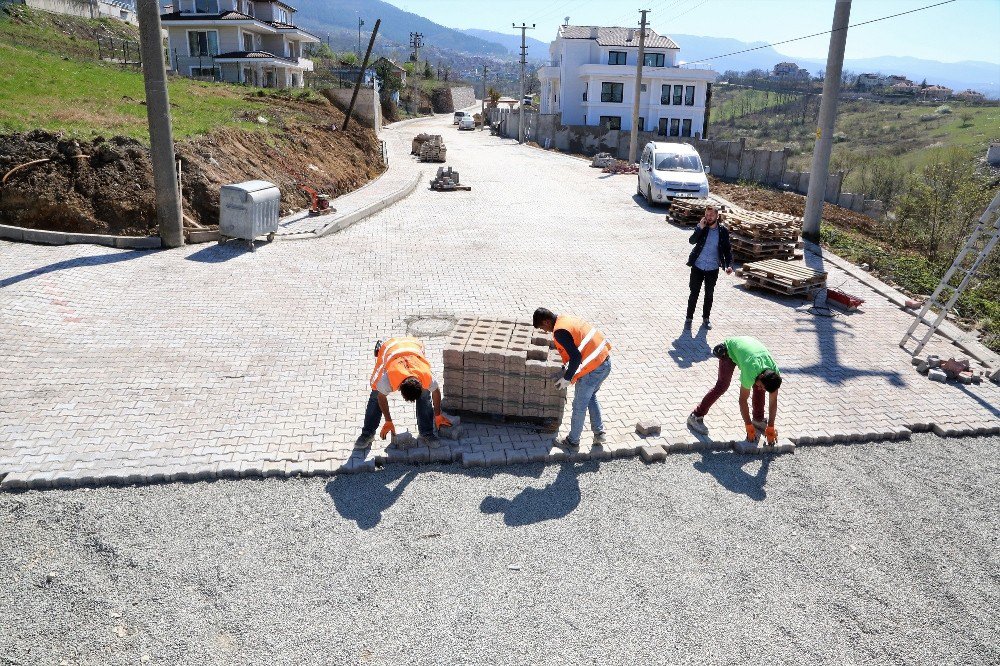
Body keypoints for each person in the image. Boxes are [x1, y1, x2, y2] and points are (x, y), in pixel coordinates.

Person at [532, 308, 612, 450]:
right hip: (605, 362)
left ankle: (572, 442)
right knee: (591, 396)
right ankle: (599, 433)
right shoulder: (564, 319)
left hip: (594, 368)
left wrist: (567, 378)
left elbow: (576, 357)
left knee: (579, 405)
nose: (545, 331)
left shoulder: (559, 332)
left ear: (547, 321)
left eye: (543, 328)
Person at [355, 337, 451, 449]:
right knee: (376, 393)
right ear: (399, 388)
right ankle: (367, 433)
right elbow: (381, 398)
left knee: (425, 396)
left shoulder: (426, 376)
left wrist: (438, 415)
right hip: (389, 349)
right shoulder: (388, 379)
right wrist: (388, 421)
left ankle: (427, 432)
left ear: (420, 382)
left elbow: (436, 391)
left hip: (413, 345)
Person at [687, 336, 782, 444]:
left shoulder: (774, 374)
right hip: (730, 350)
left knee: (759, 389)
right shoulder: (751, 370)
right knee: (722, 385)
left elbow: (773, 401)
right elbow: (742, 400)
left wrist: (771, 425)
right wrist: (748, 426)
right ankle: (695, 416)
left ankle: (758, 420)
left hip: (749, 351)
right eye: (761, 385)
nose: (761, 389)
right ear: (761, 376)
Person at [686, 206, 734, 330]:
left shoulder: (722, 231)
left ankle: (706, 319)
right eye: (707, 215)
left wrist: (728, 265)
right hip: (698, 266)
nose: (709, 217)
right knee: (694, 293)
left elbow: (727, 250)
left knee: (709, 294)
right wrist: (699, 228)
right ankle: (689, 318)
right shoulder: (702, 228)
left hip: (712, 268)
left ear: (717, 216)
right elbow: (691, 241)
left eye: (711, 215)